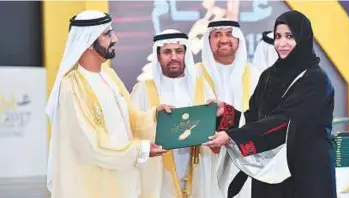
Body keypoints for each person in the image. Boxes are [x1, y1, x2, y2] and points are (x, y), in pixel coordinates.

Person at [205, 10, 336, 198]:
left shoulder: (316, 80)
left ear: (303, 37)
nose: (282, 43)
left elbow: (285, 121)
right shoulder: (268, 76)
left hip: (306, 171)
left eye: (290, 36)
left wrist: (232, 136)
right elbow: (255, 117)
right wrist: (226, 113)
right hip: (270, 174)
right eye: (277, 36)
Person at [45, 10, 170, 198]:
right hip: (92, 187)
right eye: (107, 34)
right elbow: (90, 145)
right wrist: (141, 150)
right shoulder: (71, 86)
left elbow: (131, 119)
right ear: (88, 42)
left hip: (123, 181)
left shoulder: (109, 75)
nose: (115, 39)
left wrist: (155, 115)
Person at [131, 29, 223, 198]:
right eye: (167, 52)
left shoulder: (201, 86)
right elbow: (132, 128)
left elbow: (214, 129)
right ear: (158, 56)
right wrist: (153, 115)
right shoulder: (143, 89)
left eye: (179, 51)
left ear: (185, 54)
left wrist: (218, 117)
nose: (173, 57)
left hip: (198, 166)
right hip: (158, 173)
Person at [195, 19, 251, 197]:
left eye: (229, 34)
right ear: (208, 41)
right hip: (205, 159)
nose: (224, 39)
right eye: (217, 35)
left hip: (246, 159)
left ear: (239, 40)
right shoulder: (193, 75)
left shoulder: (257, 75)